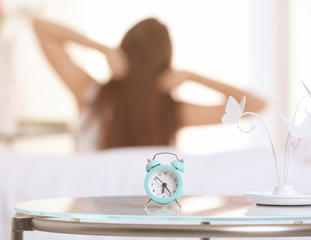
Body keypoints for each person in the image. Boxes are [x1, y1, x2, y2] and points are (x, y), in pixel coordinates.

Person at [32, 17, 266, 152]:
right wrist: (192, 77)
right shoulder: (173, 112)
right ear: (164, 64)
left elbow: (39, 27)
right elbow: (255, 105)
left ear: (123, 53)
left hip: (85, 221)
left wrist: (103, 49)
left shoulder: (89, 93)